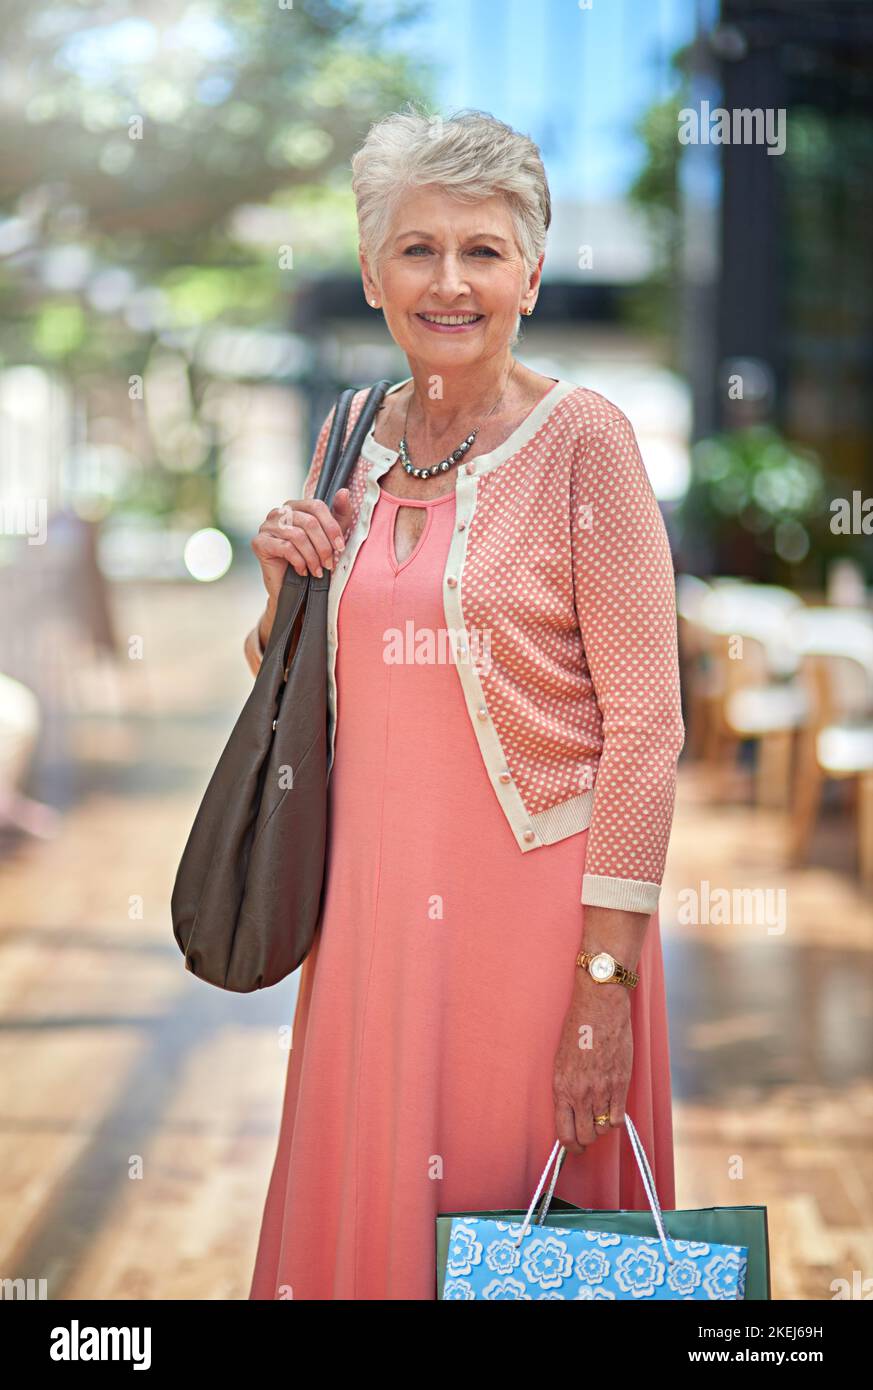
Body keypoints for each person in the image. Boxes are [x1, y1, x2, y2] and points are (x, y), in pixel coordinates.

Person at [246, 107, 685, 1300]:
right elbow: (303, 696)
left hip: (534, 936)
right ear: (373, 271)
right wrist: (281, 591)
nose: (451, 281)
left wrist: (606, 993)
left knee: (515, 1242)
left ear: (530, 275)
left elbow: (648, 730)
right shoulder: (347, 436)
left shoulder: (586, 439)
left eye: (483, 250)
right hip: (370, 924)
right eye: (418, 248)